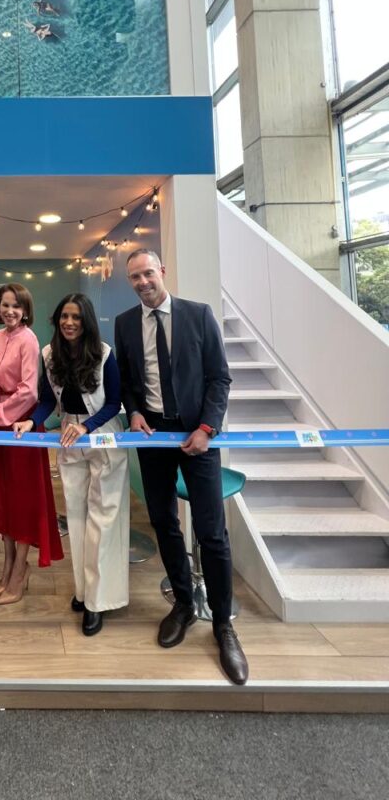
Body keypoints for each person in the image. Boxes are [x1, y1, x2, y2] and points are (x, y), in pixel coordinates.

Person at [114, 248, 248, 685]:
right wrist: (134, 412)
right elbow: (128, 383)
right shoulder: (125, 323)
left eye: (147, 273)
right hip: (152, 436)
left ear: (162, 272)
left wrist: (208, 428)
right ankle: (185, 604)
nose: (142, 282)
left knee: (212, 532)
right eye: (134, 277)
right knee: (163, 522)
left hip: (198, 436)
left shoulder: (198, 314)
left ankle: (223, 624)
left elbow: (219, 378)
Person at [14, 293, 128, 636]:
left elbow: (114, 403)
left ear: (86, 321)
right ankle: (83, 591)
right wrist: (31, 421)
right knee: (77, 518)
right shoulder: (50, 354)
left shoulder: (104, 354)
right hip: (69, 438)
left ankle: (98, 601)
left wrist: (86, 427)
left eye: (76, 317)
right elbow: (48, 400)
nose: (69, 322)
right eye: (64, 316)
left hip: (102, 436)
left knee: (103, 521)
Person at [0, 283, 63, 604]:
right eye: (5, 304)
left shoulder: (29, 339)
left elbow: (29, 391)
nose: (10, 311)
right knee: (2, 497)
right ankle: (7, 564)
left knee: (22, 500)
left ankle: (20, 570)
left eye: (16, 306)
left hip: (20, 426)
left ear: (25, 311)